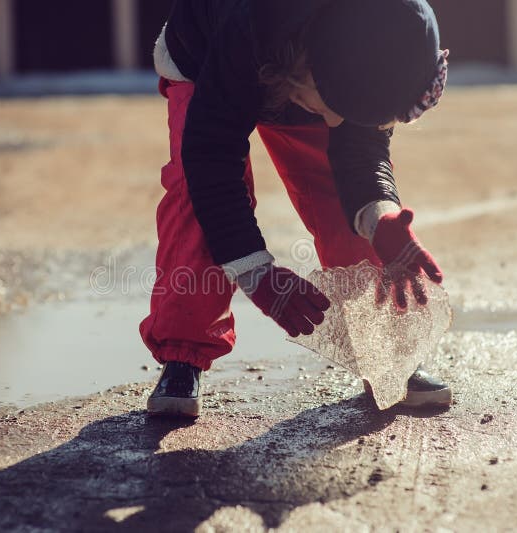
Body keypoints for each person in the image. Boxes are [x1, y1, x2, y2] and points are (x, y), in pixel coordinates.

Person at [141, 0, 451, 417]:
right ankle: (183, 352)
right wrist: (257, 273)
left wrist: (382, 219)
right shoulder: (245, 27)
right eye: (334, 107)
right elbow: (211, 161)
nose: (334, 120)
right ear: (314, 65)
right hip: (208, 56)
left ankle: (385, 350)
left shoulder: (379, 36)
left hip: (303, 58)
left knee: (334, 189)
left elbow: (360, 152)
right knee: (194, 195)